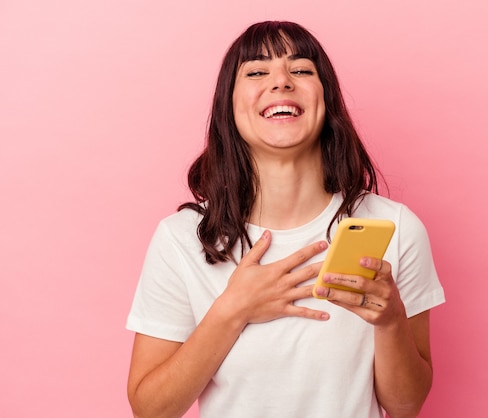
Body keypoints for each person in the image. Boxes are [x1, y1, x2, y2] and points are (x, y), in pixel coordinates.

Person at [126, 21, 445, 418]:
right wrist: (233, 310)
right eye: (257, 72)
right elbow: (150, 410)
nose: (281, 81)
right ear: (229, 105)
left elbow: (405, 406)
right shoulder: (180, 240)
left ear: (326, 99)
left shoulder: (396, 229)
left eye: (301, 70)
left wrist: (391, 321)